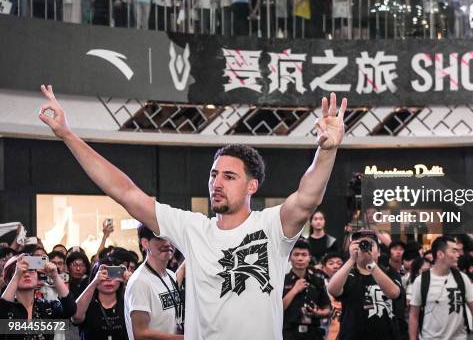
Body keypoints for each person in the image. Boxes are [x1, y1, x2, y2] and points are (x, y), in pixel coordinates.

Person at [37, 85, 348, 339]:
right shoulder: (192, 228)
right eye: (214, 175)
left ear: (252, 186)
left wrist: (326, 150)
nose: (217, 183)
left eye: (229, 176)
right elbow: (125, 192)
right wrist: (68, 134)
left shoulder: (272, 226)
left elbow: (308, 196)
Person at [409, 236, 473, 340]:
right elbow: (413, 315)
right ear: (440, 254)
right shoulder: (421, 280)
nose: (458, 255)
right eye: (454, 251)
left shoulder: (462, 278)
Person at [327, 230, 402, 340]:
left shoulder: (390, 272)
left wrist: (371, 264)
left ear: (379, 251)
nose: (364, 248)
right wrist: (352, 259)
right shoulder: (347, 273)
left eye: (370, 244)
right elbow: (332, 289)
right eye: (360, 244)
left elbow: (394, 293)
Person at [125, 224, 183, 339]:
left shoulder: (171, 275)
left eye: (170, 238)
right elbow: (141, 334)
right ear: (145, 243)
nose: (167, 243)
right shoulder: (140, 281)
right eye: (160, 238)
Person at [1, 254, 76, 340]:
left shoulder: (46, 307)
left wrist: (55, 276)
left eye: (31, 270)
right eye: (21, 271)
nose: (27, 274)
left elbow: (70, 309)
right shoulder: (8, 309)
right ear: (11, 278)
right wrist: (17, 275)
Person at [282, 239, 331, 340]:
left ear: (309, 258)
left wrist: (318, 313)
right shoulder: (282, 280)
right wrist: (294, 290)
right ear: (289, 258)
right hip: (289, 334)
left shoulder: (317, 280)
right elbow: (278, 308)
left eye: (304, 255)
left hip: (313, 334)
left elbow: (328, 309)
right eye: (296, 254)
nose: (300, 258)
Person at [72, 259, 130, 339]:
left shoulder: (128, 303)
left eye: (112, 274)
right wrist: (95, 282)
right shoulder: (86, 303)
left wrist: (131, 282)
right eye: (104, 274)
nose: (109, 279)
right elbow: (75, 317)